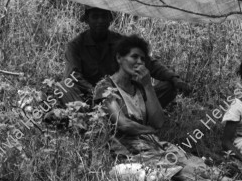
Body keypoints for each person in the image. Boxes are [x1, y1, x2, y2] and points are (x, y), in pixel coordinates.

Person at [94, 35, 242, 181]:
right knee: (175, 169)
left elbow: (158, 121)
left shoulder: (139, 87)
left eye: (143, 59)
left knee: (189, 160)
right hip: (129, 148)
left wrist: (147, 85)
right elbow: (123, 124)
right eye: (134, 57)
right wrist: (149, 130)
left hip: (152, 143)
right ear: (119, 58)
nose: (139, 62)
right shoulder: (105, 87)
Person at [59, 6, 190, 109]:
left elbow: (149, 63)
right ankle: (88, 119)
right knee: (64, 86)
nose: (100, 21)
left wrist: (174, 78)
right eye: (95, 17)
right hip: (88, 97)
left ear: (110, 19)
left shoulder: (120, 41)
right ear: (87, 20)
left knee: (169, 86)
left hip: (122, 95)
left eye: (104, 16)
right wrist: (97, 92)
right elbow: (72, 76)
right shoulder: (75, 45)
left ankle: (138, 114)